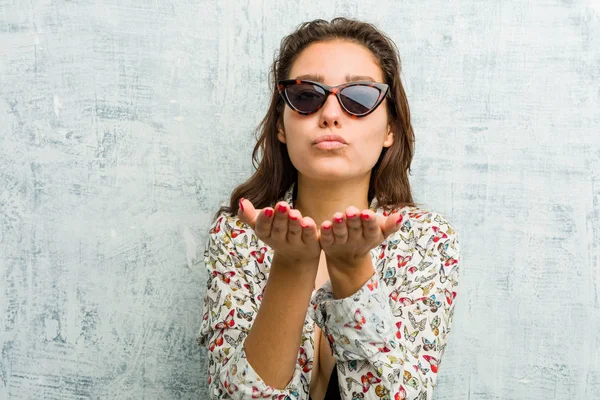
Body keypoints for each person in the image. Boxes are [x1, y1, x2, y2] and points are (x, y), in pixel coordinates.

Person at [197, 17, 461, 400]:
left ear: (391, 128)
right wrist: (291, 265)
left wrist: (352, 270)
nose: (331, 114)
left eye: (360, 97)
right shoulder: (237, 234)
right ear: (281, 126)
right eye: (306, 96)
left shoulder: (428, 241)